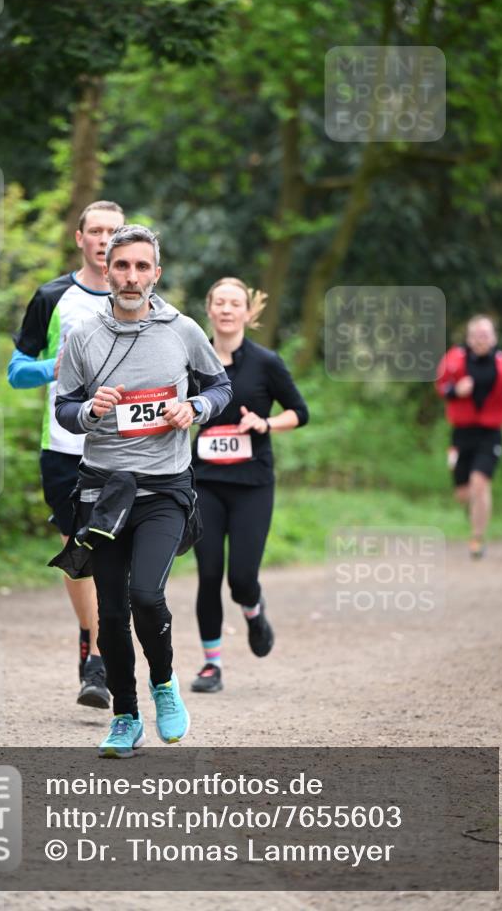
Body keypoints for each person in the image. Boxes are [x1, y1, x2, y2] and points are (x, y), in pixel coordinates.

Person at [54, 225, 232, 756]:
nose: (131, 277)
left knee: (146, 595)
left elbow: (220, 386)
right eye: (122, 266)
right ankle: (126, 717)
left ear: (157, 272)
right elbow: (64, 407)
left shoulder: (182, 330)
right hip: (104, 490)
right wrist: (90, 410)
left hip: (164, 489)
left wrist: (195, 408)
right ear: (106, 269)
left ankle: (165, 684)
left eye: (141, 267)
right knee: (111, 611)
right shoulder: (83, 335)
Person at [8, 200, 125, 708]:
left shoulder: (143, 299)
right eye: (95, 231)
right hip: (63, 448)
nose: (103, 239)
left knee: (116, 553)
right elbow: (16, 370)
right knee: (78, 552)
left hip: (125, 448)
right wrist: (57, 368)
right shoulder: (53, 297)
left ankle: (101, 653)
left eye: (113, 233)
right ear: (79, 238)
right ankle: (94, 650)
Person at [190, 277, 309, 694]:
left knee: (241, 577)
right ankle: (211, 665)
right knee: (208, 573)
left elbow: (299, 411)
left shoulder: (266, 362)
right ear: (209, 308)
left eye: (234, 303)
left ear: (247, 313)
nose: (226, 309)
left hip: (252, 483)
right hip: (204, 480)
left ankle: (254, 612)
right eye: (219, 302)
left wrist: (265, 422)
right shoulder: (192, 358)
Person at [435, 314, 502, 559]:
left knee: (480, 484)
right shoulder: (454, 359)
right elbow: (441, 386)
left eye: (486, 335)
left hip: (490, 433)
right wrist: (455, 390)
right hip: (461, 433)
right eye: (477, 335)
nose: (482, 339)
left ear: (494, 338)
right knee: (463, 493)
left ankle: (477, 538)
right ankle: (474, 514)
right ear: (469, 338)